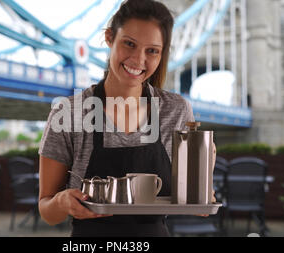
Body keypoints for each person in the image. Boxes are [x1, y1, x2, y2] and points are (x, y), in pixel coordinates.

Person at [38, 0, 215, 237]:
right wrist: (60, 203)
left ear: (162, 55)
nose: (138, 59)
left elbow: (190, 193)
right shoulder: (68, 113)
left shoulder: (176, 110)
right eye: (129, 44)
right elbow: (47, 211)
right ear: (109, 37)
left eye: (152, 50)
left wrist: (202, 192)